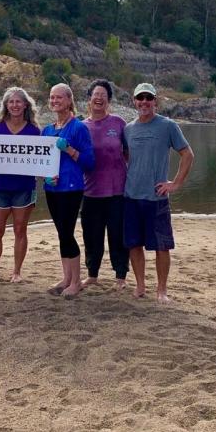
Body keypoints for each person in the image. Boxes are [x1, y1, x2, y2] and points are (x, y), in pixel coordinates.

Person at [124, 83, 194, 303]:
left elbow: (187, 154)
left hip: (156, 198)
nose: (144, 102)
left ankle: (161, 290)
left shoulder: (168, 126)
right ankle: (140, 285)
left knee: (161, 246)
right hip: (131, 197)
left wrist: (175, 183)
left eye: (148, 98)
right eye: (140, 98)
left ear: (155, 101)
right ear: (134, 101)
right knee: (134, 244)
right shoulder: (128, 129)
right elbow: (126, 157)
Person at [41, 82, 95, 298]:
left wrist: (70, 149)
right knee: (61, 234)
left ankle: (76, 281)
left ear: (69, 100)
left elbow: (89, 163)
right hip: (51, 188)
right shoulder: (47, 130)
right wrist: (44, 174)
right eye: (52, 97)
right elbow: (40, 160)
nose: (55, 101)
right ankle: (66, 278)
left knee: (67, 233)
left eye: (59, 97)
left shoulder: (79, 128)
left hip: (71, 188)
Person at [0, 87, 41, 282]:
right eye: (11, 102)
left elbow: (41, 160)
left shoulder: (34, 131)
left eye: (18, 101)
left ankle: (16, 272)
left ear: (25, 105)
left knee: (20, 230)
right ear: (6, 105)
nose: (15, 105)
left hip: (24, 188)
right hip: (0, 187)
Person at [81, 79, 129, 290]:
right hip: (90, 192)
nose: (99, 98)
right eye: (95, 94)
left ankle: (121, 276)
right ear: (89, 99)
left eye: (103, 95)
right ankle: (92, 274)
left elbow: (128, 154)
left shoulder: (118, 123)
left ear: (109, 100)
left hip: (117, 191)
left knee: (118, 235)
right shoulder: (81, 127)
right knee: (92, 236)